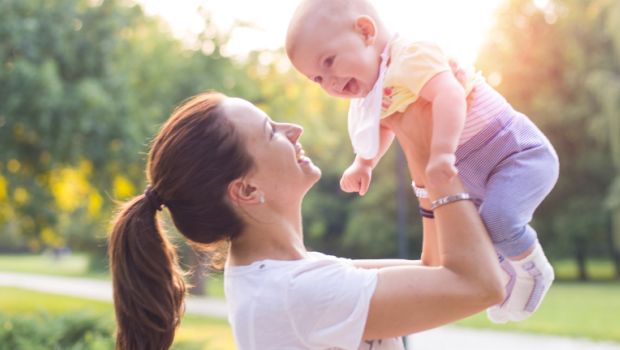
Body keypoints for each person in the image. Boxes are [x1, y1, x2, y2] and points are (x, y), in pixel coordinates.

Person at [108, 91, 504, 350]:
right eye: (270, 131)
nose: (292, 130)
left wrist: (419, 149)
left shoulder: (286, 277)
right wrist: (439, 160)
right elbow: (480, 285)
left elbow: (434, 271)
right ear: (246, 191)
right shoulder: (298, 292)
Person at [285, 0, 559, 323]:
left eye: (329, 62)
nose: (329, 82)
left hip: (512, 152)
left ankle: (534, 271)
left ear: (365, 31)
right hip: (476, 172)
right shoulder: (378, 87)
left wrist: (441, 152)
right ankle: (506, 280)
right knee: (479, 232)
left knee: (497, 218)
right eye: (317, 78)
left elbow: (450, 95)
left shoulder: (411, 56)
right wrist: (365, 162)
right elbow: (385, 124)